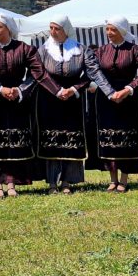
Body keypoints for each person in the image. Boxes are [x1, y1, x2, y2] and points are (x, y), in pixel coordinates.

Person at [0, 14, 62, 199]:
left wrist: (20, 90)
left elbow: (37, 73)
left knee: (15, 142)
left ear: (9, 29)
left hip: (17, 100)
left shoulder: (24, 49)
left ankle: (12, 182)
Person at [86, 16, 138, 193]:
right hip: (106, 98)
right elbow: (94, 72)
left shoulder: (136, 50)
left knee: (128, 139)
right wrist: (109, 92)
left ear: (122, 31)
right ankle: (113, 179)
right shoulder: (101, 51)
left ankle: (124, 179)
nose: (109, 33)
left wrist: (129, 89)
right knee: (108, 138)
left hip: (129, 98)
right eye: (107, 29)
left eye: (113, 29)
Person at [36, 15, 115, 194]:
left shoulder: (81, 49)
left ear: (66, 30)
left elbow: (92, 73)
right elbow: (39, 74)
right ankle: (52, 183)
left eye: (57, 28)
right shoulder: (43, 50)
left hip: (73, 100)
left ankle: (67, 181)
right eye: (51, 28)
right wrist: (56, 90)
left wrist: (74, 89)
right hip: (49, 99)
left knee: (71, 140)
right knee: (52, 141)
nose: (53, 32)